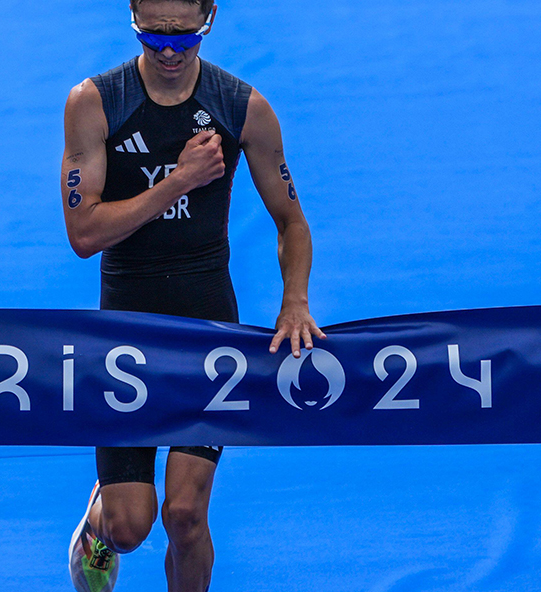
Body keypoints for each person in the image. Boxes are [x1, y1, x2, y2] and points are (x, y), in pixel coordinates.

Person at [61, 1, 325, 590]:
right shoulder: (96, 103)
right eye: (155, 38)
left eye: (185, 36)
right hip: (126, 329)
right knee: (131, 525)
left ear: (209, 21)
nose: (172, 52)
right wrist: (179, 181)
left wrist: (296, 302)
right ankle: (97, 523)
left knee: (184, 516)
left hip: (207, 324)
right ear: (134, 20)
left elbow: (292, 223)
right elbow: (84, 234)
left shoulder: (242, 108)